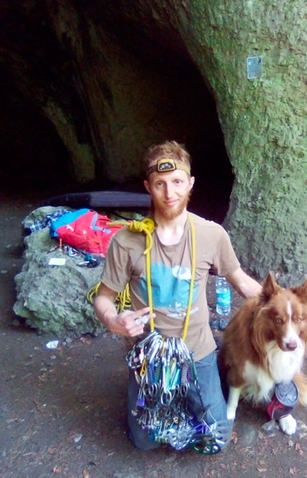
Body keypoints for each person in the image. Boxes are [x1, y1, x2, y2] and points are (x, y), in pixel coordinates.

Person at [94, 140, 262, 451]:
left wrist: (281, 303)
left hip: (197, 351)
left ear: (190, 184)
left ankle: (209, 383)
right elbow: (103, 298)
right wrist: (114, 320)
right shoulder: (127, 241)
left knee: (217, 439)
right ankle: (151, 392)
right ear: (148, 186)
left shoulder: (211, 235)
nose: (169, 193)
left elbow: (240, 281)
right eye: (160, 184)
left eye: (177, 182)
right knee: (144, 442)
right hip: (150, 356)